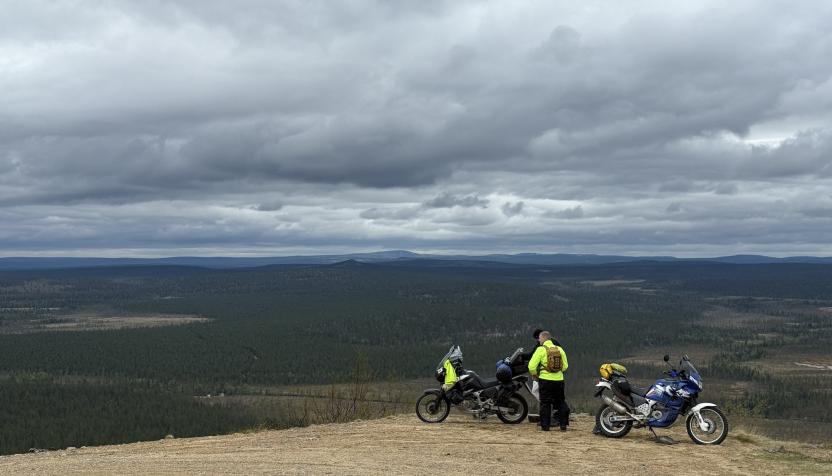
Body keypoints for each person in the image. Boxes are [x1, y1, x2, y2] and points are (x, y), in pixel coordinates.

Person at [528, 331, 569, 431]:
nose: (539, 340)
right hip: (559, 380)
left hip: (545, 380)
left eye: (540, 339)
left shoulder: (540, 349)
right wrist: (557, 372)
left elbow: (531, 366)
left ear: (543, 339)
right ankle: (563, 425)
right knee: (560, 402)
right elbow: (565, 366)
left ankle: (545, 426)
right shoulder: (559, 349)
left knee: (545, 403)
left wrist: (536, 375)